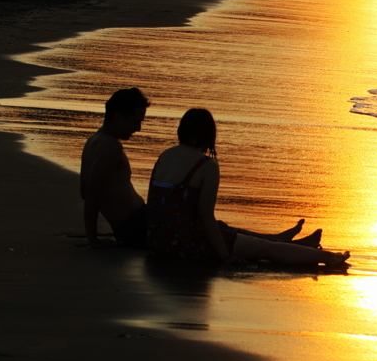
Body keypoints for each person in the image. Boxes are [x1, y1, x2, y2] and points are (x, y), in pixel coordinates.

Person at [147, 108, 350, 267]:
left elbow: (155, 204)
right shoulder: (206, 165)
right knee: (264, 249)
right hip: (186, 245)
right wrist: (225, 256)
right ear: (209, 135)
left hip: (158, 242)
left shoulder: (165, 156)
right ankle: (327, 257)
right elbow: (205, 216)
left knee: (226, 229)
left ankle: (285, 240)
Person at [80, 88, 151, 248]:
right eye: (136, 121)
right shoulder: (110, 147)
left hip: (135, 223)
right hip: (136, 226)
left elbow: (84, 190)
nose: (138, 128)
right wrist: (93, 240)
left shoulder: (93, 141)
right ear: (118, 117)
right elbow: (91, 194)